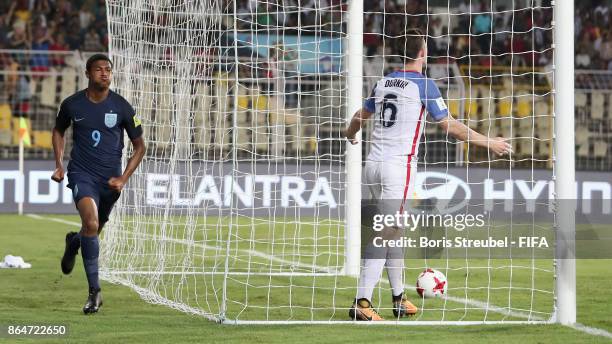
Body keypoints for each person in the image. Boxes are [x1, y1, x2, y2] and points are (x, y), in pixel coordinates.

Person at [344, 28, 511, 321]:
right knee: (386, 234)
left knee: (394, 234)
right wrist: (489, 142)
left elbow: (361, 115)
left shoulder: (383, 82)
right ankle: (362, 302)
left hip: (371, 166)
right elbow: (451, 126)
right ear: (423, 53)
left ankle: (398, 298)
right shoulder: (425, 85)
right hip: (398, 168)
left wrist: (349, 133)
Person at [51, 54, 146, 314]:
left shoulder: (122, 107)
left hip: (111, 181)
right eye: (99, 69)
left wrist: (123, 178)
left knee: (94, 228)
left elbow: (140, 147)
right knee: (91, 223)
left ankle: (74, 243)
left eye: (108, 69)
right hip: (81, 174)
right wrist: (59, 164)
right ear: (88, 73)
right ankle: (95, 293)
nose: (105, 73)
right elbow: (58, 130)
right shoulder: (72, 105)